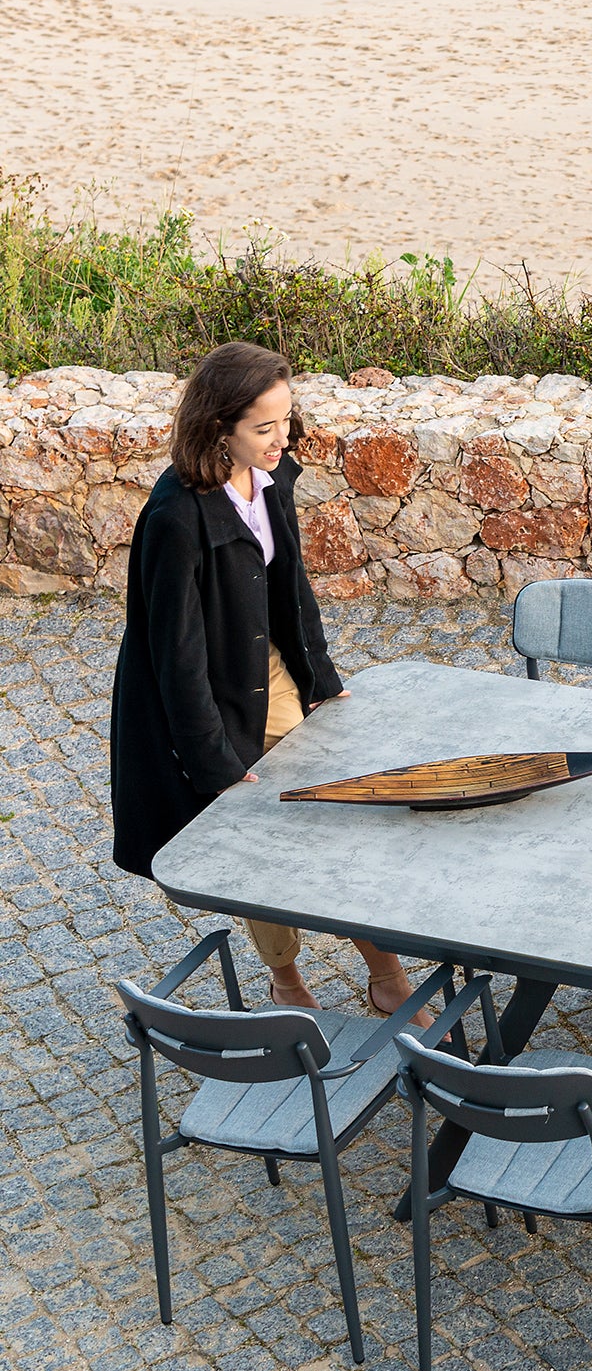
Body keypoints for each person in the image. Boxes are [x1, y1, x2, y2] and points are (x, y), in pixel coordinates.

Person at [110, 340, 417, 1013]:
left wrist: (325, 680)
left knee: (334, 823)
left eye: (285, 420)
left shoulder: (273, 476)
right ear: (220, 427)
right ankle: (287, 979)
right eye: (263, 427)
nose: (281, 438)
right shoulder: (175, 518)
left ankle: (384, 973)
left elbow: (293, 590)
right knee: (261, 844)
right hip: (214, 703)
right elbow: (176, 660)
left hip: (272, 676)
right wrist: (215, 764)